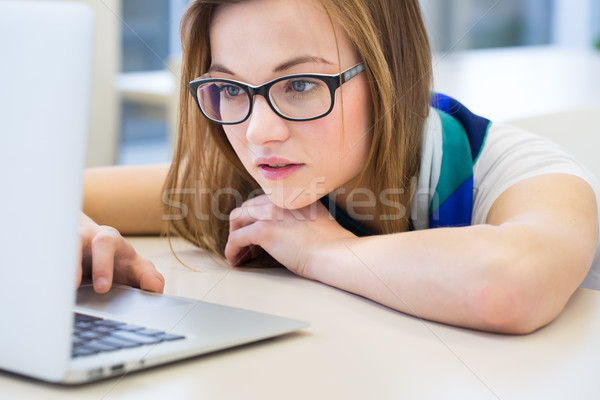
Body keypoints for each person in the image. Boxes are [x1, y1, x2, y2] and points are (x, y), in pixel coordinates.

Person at [81, 0, 600, 334]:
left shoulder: (514, 169)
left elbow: (506, 286)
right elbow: (53, 195)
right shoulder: (245, 177)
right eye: (233, 89)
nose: (259, 132)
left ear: (390, 79)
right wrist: (75, 234)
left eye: (301, 84)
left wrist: (326, 251)